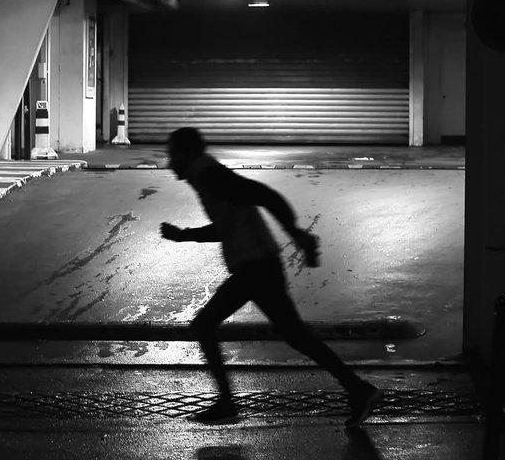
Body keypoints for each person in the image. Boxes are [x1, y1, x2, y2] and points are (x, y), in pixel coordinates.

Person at [159, 126, 382, 427]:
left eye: (172, 154)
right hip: (257, 264)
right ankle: (358, 389)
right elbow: (226, 225)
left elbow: (264, 194)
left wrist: (295, 233)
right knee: (296, 335)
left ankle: (227, 402)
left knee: (205, 324)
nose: (169, 162)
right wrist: (185, 236)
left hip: (257, 265)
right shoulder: (207, 176)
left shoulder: (208, 173)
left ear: (186, 154)